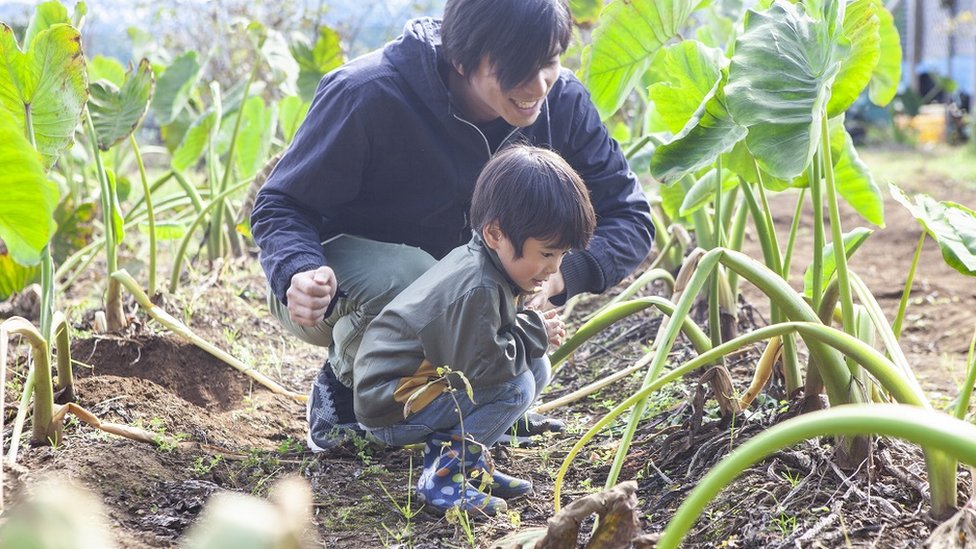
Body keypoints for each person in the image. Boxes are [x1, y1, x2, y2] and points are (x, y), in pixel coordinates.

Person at [250, 0, 655, 452]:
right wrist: (299, 269)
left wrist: (562, 273)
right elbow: (280, 203)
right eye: (520, 68)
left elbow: (630, 215)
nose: (539, 85)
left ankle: (475, 406)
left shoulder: (561, 102)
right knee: (414, 277)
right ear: (461, 60)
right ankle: (343, 391)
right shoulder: (367, 94)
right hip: (329, 289)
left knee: (492, 298)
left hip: (466, 297)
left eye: (550, 62)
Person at [354, 145, 596, 515]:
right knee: (516, 389)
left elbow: (481, 351)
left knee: (536, 368)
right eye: (547, 254)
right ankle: (443, 475)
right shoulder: (479, 286)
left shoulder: (492, 264)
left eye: (562, 256)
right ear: (496, 232)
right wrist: (534, 331)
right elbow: (485, 370)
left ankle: (474, 453)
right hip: (392, 405)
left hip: (426, 383)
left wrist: (530, 333)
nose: (553, 268)